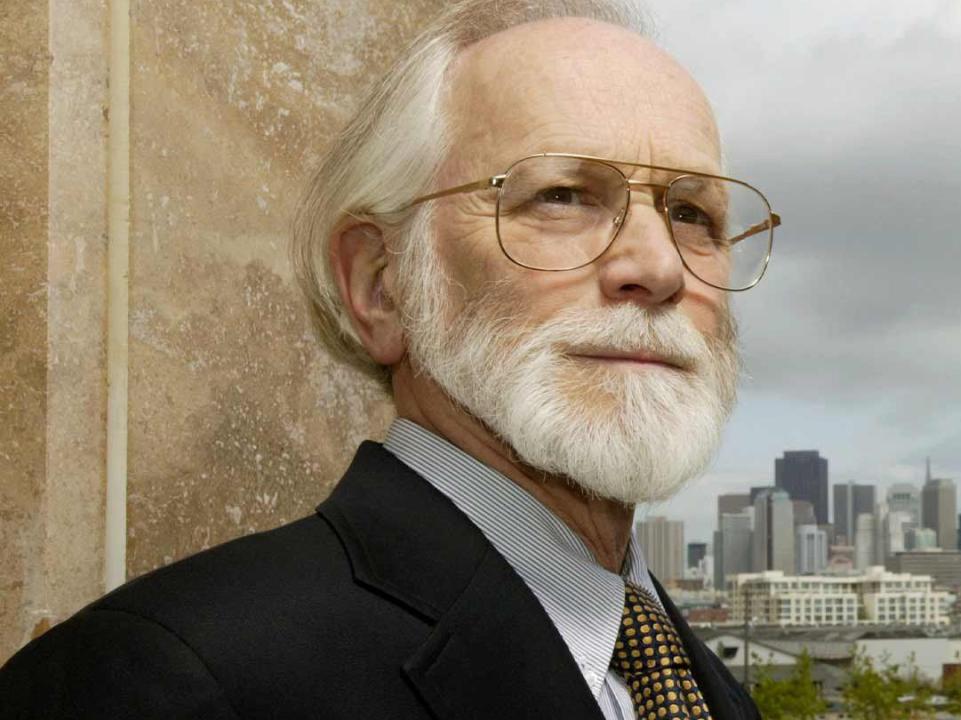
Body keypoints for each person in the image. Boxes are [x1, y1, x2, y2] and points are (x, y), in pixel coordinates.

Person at [0, 1, 779, 718]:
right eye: (562, 195)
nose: (660, 266)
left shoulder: (699, 683)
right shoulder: (163, 680)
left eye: (691, 213)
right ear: (383, 284)